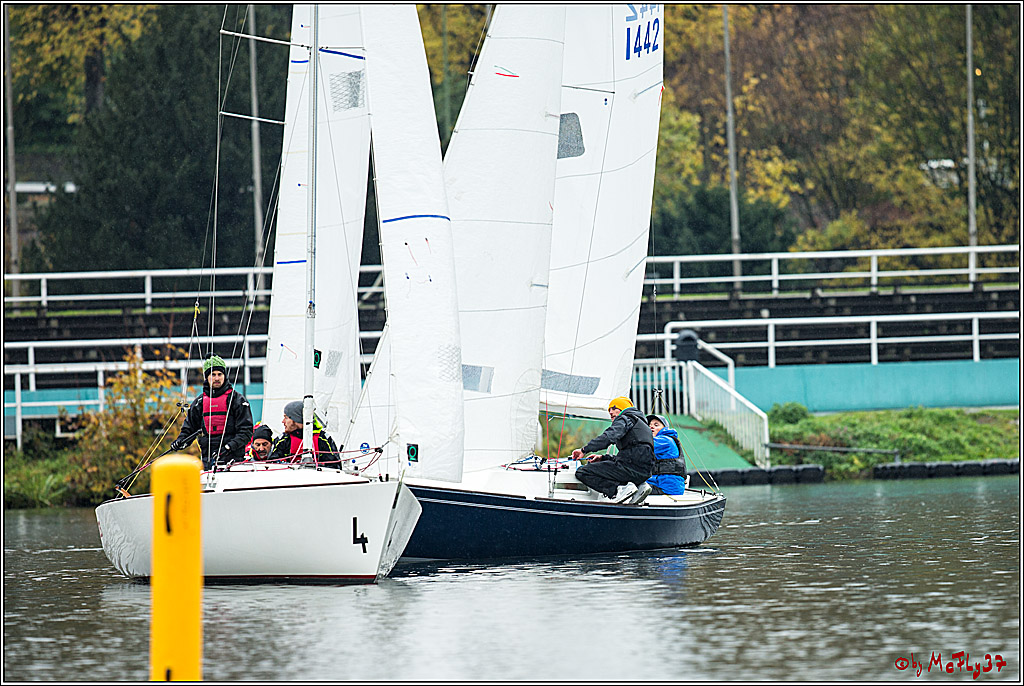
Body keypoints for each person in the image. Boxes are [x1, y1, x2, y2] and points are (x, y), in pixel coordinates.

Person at [170, 354, 254, 470]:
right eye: (213, 375)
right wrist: (180, 442)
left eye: (220, 374)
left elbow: (246, 431)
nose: (217, 378)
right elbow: (189, 428)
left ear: (224, 376)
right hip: (208, 459)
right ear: (207, 377)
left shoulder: (237, 400)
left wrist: (229, 447)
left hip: (234, 459)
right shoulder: (199, 403)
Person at [571, 396, 655, 504]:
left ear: (623, 408)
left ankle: (618, 490)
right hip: (643, 472)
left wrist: (584, 450)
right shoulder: (642, 425)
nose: (610, 412)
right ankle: (635, 487)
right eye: (609, 410)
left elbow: (609, 437)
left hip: (629, 467)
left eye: (614, 408)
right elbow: (632, 454)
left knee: (583, 472)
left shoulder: (625, 418)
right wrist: (603, 458)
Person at [268, 400, 340, 466]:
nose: (283, 421)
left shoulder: (323, 439)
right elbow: (272, 463)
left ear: (296, 419)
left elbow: (335, 465)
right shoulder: (283, 440)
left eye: (286, 418)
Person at [645, 414, 687, 495]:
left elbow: (643, 446)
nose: (651, 427)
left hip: (666, 489)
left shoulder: (665, 440)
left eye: (656, 425)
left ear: (664, 428)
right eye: (649, 426)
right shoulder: (662, 441)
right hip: (660, 484)